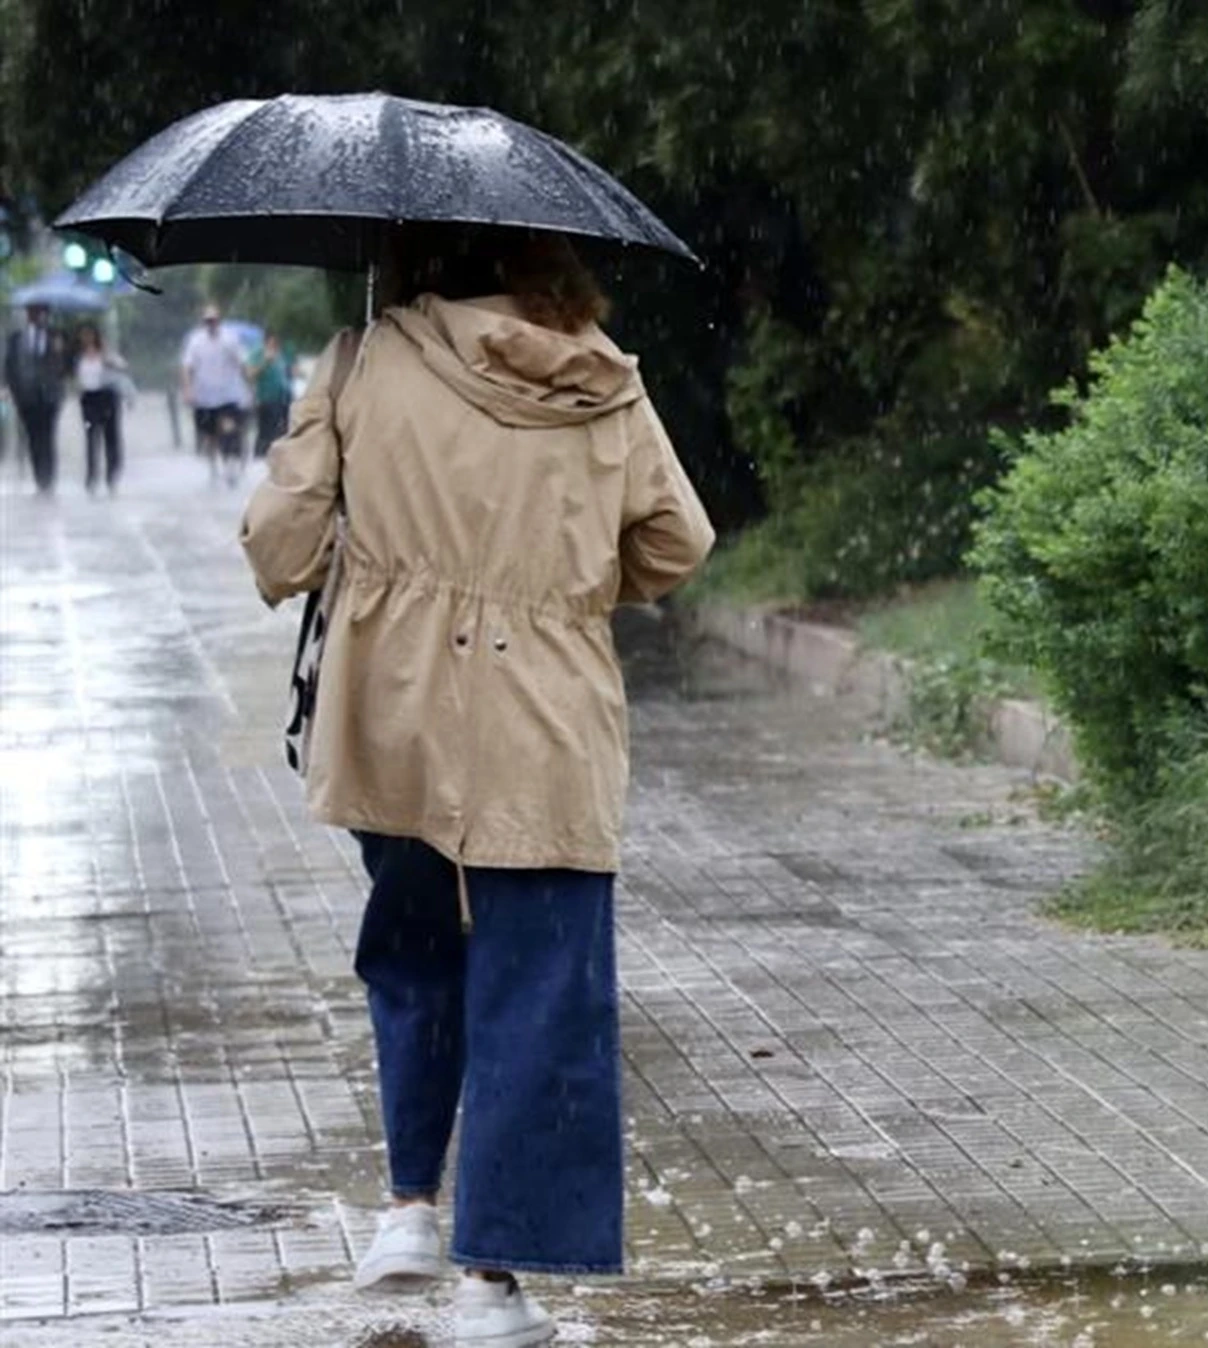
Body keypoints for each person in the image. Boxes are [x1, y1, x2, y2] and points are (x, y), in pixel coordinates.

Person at [240, 226, 713, 1348]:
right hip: (545, 722)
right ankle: (489, 1286)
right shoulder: (601, 381)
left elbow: (278, 548)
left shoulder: (362, 360)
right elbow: (675, 543)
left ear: (413, 257)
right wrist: (559, 589)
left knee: (413, 953)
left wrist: (370, 522)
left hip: (393, 713)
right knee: (536, 989)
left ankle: (409, 1207)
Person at [4, 301, 70, 494]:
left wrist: (60, 352)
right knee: (33, 437)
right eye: (32, 312)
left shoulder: (56, 335)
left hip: (50, 396)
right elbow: (9, 367)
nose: (36, 315)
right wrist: (13, 390)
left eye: (40, 312)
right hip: (26, 397)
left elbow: (66, 365)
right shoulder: (16, 338)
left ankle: (48, 478)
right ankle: (39, 478)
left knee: (48, 436)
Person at [181, 304, 251, 485]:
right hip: (205, 396)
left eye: (214, 320)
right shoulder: (195, 341)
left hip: (228, 394)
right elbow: (187, 366)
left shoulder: (230, 339)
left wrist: (248, 384)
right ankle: (214, 467)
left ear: (219, 321)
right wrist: (187, 389)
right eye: (208, 321)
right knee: (210, 435)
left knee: (229, 428)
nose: (211, 324)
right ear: (203, 322)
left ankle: (231, 462)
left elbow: (242, 362)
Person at [74, 323, 129, 496]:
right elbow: (75, 377)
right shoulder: (78, 356)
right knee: (91, 439)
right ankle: (91, 477)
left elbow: (122, 366)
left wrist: (107, 358)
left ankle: (112, 475)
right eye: (84, 335)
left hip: (107, 397)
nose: (87, 339)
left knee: (111, 438)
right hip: (88, 400)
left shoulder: (106, 353)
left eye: (90, 335)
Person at [248, 331, 293, 458]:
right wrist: (265, 361)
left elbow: (285, 374)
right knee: (266, 431)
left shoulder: (281, 354)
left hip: (283, 397)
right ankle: (260, 456)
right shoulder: (258, 353)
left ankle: (277, 456)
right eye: (272, 342)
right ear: (266, 341)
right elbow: (251, 375)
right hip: (266, 398)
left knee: (282, 430)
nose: (275, 345)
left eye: (277, 342)